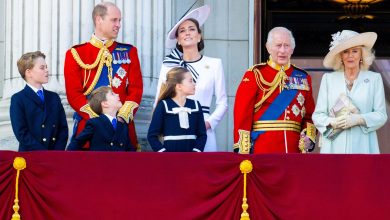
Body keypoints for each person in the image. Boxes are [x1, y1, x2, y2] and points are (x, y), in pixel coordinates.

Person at [64, 2, 143, 151]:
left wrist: (121, 117)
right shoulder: (76, 53)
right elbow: (74, 94)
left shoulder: (129, 51)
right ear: (99, 19)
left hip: (122, 129)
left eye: (120, 20)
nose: (118, 25)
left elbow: (136, 89)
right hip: (90, 129)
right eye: (114, 20)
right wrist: (100, 120)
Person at [155, 5, 227, 152]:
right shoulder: (169, 65)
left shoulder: (214, 64)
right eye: (182, 31)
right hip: (174, 129)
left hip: (203, 127)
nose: (187, 33)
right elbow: (159, 100)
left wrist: (208, 124)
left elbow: (223, 103)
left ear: (199, 36)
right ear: (178, 40)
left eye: (192, 29)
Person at [233, 27, 316, 154]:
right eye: (278, 45)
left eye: (286, 45)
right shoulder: (255, 74)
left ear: (292, 49)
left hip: (294, 150)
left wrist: (308, 139)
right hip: (263, 148)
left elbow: (309, 116)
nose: (282, 50)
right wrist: (243, 151)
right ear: (268, 47)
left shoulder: (303, 77)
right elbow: (242, 114)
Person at [312, 30, 387, 154]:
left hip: (364, 147)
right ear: (340, 56)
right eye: (345, 51)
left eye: (355, 51)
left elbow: (381, 115)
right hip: (333, 148)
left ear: (362, 54)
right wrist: (332, 122)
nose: (350, 55)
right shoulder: (328, 79)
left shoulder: (374, 79)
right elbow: (318, 115)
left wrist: (359, 119)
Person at [10, 51, 68, 151]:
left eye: (46, 67)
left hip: (55, 156)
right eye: (42, 68)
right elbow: (21, 132)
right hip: (31, 157)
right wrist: (43, 153)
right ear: (29, 72)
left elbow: (63, 129)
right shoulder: (18, 99)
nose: (47, 70)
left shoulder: (54, 97)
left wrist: (56, 153)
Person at [148, 67, 207, 152]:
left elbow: (202, 135)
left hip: (192, 158)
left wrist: (196, 151)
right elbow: (152, 136)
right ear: (179, 86)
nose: (194, 84)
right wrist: (163, 153)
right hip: (170, 158)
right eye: (190, 81)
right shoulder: (163, 106)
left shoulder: (196, 105)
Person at [67, 86, 134, 151]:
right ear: (105, 104)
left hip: (120, 162)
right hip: (100, 161)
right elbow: (77, 143)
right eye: (112, 94)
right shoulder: (95, 123)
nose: (117, 94)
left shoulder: (122, 125)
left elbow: (129, 150)